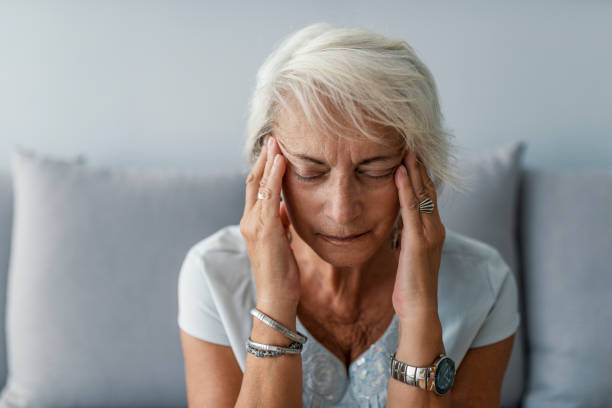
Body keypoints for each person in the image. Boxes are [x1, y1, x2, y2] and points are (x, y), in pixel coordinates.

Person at [178, 22, 520, 407]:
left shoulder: (485, 284)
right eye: (310, 172)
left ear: (421, 167)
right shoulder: (213, 274)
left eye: (374, 171)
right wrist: (274, 302)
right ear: (265, 168)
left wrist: (420, 310)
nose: (342, 210)